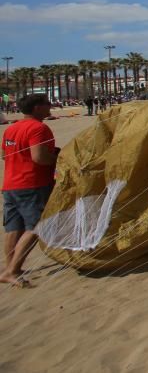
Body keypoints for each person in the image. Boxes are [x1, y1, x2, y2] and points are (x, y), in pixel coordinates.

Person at [1, 94, 59, 286]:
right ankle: (13, 270)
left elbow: (4, 155)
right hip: (32, 184)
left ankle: (9, 268)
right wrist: (58, 158)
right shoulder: (38, 128)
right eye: (46, 104)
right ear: (37, 108)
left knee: (13, 227)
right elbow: (39, 158)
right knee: (36, 227)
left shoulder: (11, 129)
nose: (50, 107)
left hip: (10, 184)